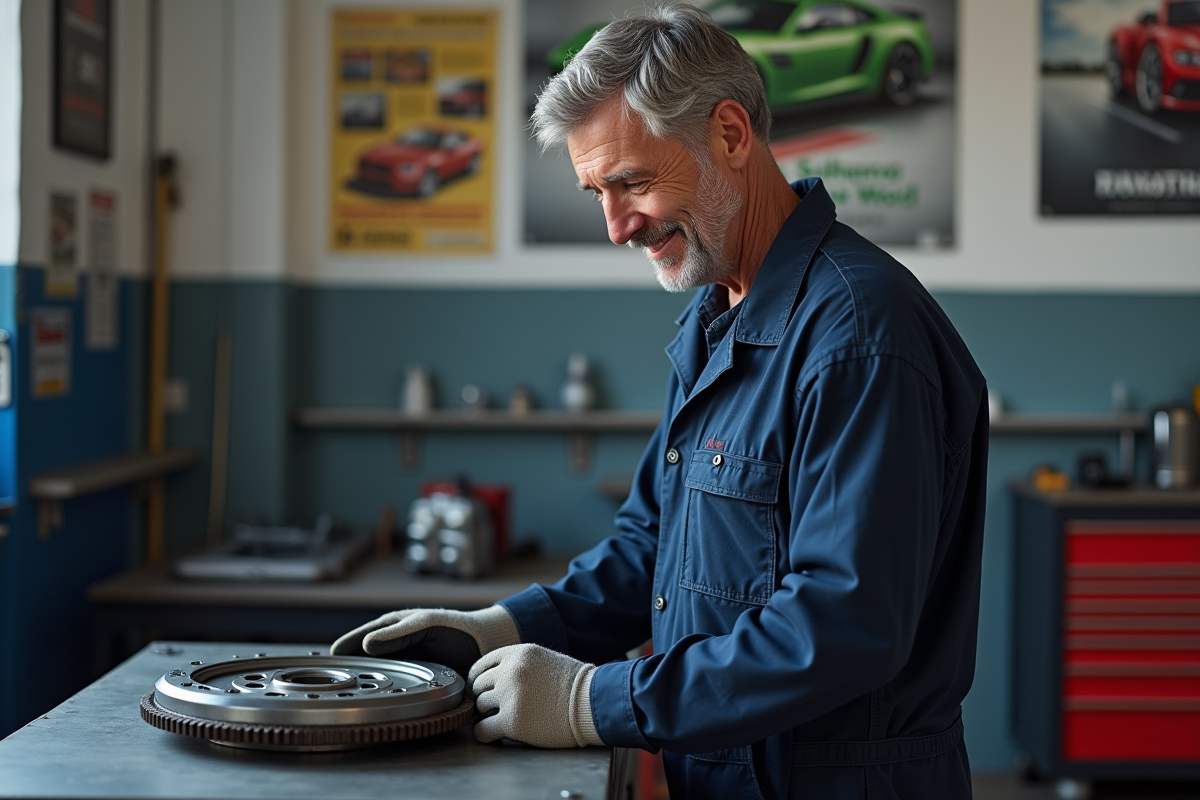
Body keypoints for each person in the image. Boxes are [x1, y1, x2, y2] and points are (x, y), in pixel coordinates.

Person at [332, 6, 987, 798]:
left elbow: (843, 628)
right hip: (722, 773)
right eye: (594, 192)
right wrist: (500, 629)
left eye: (632, 182)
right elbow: (655, 548)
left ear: (731, 136)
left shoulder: (858, 333)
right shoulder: (717, 317)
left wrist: (589, 700)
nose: (615, 227)